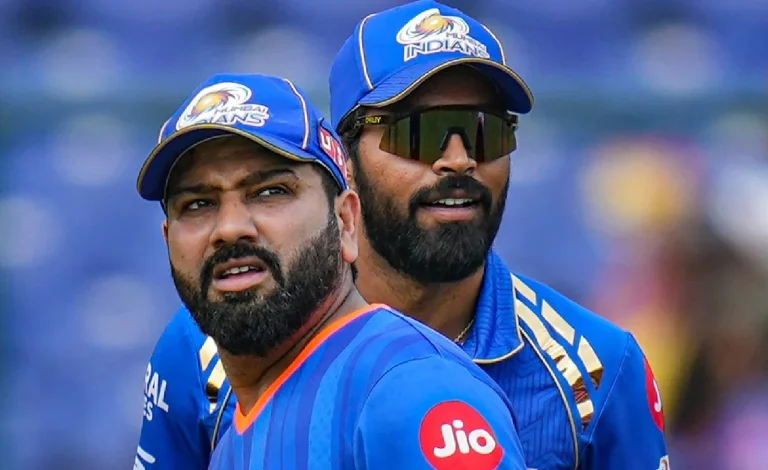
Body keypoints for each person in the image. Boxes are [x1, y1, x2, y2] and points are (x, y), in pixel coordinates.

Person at [134, 2, 670, 470]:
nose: (459, 160)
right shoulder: (208, 349)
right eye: (419, 134)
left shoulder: (598, 368)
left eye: (486, 132)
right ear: (343, 163)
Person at [134, 72, 529, 470]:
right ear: (168, 238)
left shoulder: (411, 390)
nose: (231, 228)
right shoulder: (239, 430)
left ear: (345, 221)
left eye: (270, 192)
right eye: (197, 204)